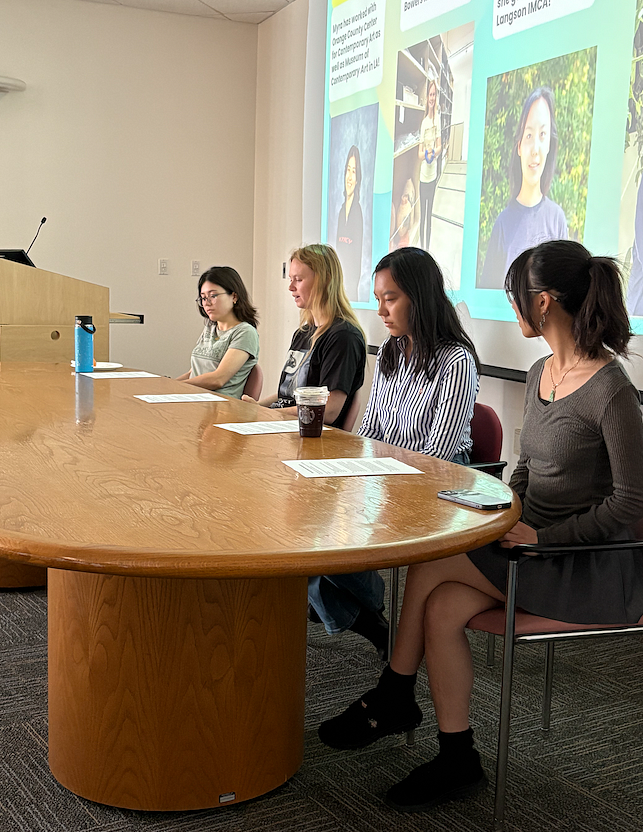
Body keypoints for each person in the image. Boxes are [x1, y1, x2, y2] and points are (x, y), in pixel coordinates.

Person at [318, 239, 643, 815]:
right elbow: (525, 471)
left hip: (587, 564)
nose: (511, 306)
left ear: (542, 303)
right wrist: (503, 509)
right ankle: (457, 754)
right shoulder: (542, 370)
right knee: (441, 609)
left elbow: (632, 504)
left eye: (515, 296)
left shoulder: (612, 390)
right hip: (529, 544)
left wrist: (543, 537)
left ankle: (395, 694)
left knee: (430, 559)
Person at [242, 244, 383, 652]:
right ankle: (325, 602)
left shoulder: (343, 336)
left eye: (298, 277)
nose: (290, 285)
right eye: (289, 276)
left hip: (319, 451)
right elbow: (287, 395)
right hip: (286, 440)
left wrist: (266, 420)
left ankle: (367, 609)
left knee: (300, 548)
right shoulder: (304, 331)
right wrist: (252, 409)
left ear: (322, 280)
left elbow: (329, 408)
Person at [479, 87, 568, 289]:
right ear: (519, 146)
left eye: (542, 135)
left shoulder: (557, 220)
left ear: (549, 146)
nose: (535, 149)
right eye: (529, 135)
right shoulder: (502, 223)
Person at [177, 266, 259, 398]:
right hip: (194, 399)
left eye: (213, 296)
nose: (207, 303)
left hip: (219, 406)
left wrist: (178, 387)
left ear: (234, 296)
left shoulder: (245, 332)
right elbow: (195, 372)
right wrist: (168, 385)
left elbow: (218, 379)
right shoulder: (210, 328)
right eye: (203, 298)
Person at [335, 145, 364, 301]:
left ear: (358, 178)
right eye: (348, 170)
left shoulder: (357, 212)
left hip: (351, 289)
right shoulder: (341, 211)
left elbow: (356, 255)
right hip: (339, 286)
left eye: (354, 171)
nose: (350, 177)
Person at [418, 79, 442, 252]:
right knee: (422, 216)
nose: (432, 98)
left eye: (434, 94)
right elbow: (419, 153)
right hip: (422, 177)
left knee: (429, 215)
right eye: (430, 94)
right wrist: (425, 155)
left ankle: (427, 250)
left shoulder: (438, 120)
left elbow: (440, 146)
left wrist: (435, 153)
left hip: (433, 176)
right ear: (426, 97)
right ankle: (420, 250)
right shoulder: (424, 122)